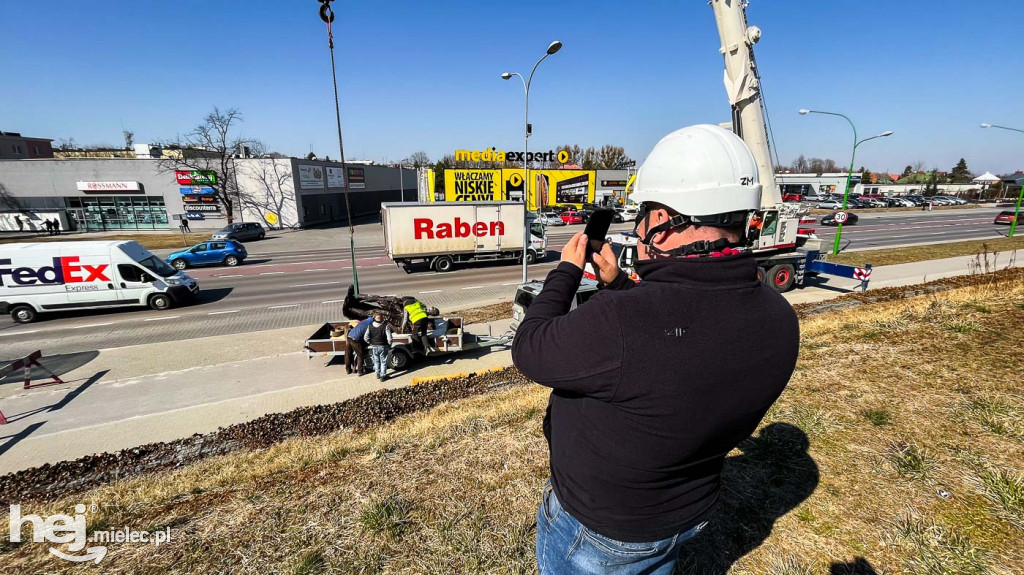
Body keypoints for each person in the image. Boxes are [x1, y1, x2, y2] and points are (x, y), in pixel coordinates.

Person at [512, 125, 800, 575]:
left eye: (643, 214)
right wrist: (622, 285)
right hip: (684, 514)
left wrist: (566, 271)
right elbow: (681, 341)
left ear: (663, 221)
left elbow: (531, 348)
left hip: (600, 531)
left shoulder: (622, 322)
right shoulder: (780, 318)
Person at [363, 311, 393, 381]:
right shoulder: (385, 326)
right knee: (383, 361)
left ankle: (377, 373)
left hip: (374, 346)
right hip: (383, 346)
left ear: (374, 318)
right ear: (382, 319)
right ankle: (383, 376)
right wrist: (389, 345)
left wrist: (370, 343)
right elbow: (390, 338)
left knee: (376, 361)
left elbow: (365, 337)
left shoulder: (370, 326)